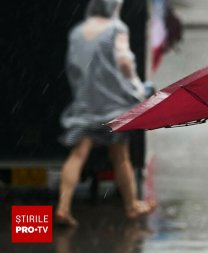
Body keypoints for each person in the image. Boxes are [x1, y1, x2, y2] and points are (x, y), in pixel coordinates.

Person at [56, 0, 156, 227]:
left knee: (78, 154)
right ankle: (131, 206)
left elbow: (73, 66)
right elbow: (124, 61)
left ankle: (63, 208)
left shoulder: (78, 33)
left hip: (85, 102)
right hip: (113, 103)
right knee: (120, 156)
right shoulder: (116, 29)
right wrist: (136, 86)